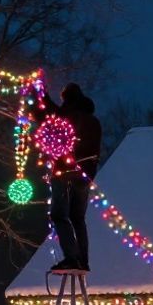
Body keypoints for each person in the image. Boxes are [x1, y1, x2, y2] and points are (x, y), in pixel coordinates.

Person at [43, 83, 101, 272]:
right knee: (78, 218)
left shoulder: (68, 115)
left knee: (59, 215)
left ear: (67, 98)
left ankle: (71, 257)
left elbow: (50, 112)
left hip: (65, 172)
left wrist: (42, 92)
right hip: (86, 175)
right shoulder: (93, 121)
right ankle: (83, 260)